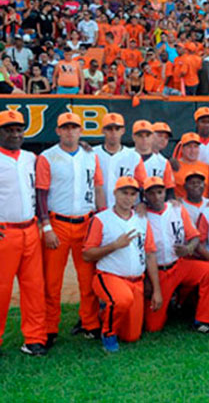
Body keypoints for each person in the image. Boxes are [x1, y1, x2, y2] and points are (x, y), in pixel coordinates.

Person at [36, 112, 106, 347]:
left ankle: (90, 323)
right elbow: (41, 194)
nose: (69, 131)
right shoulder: (47, 157)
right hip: (58, 224)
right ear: (57, 131)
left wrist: (102, 217)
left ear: (80, 131)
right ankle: (49, 328)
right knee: (52, 281)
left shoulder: (90, 154)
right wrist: (46, 226)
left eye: (74, 127)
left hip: (86, 223)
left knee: (88, 280)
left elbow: (98, 187)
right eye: (65, 127)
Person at [82, 176, 162, 352]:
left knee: (131, 336)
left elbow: (150, 255)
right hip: (110, 276)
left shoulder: (142, 220)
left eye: (132, 194)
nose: (128, 198)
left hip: (136, 282)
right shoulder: (101, 219)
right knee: (122, 300)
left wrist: (156, 289)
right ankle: (108, 333)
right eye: (124, 193)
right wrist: (114, 246)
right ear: (115, 194)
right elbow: (87, 255)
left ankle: (106, 314)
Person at [142, 177, 209, 334]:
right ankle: (170, 303)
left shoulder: (176, 208)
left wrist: (189, 248)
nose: (156, 197)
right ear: (145, 196)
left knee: (208, 271)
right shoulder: (140, 215)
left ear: (165, 193)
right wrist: (147, 279)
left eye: (160, 192)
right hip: (157, 272)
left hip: (179, 265)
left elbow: (194, 236)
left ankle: (202, 320)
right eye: (151, 193)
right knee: (153, 327)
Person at [0, 110, 47, 356]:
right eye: (9, 129)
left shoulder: (31, 157)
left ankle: (34, 339)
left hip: (30, 230)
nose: (15, 134)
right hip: (4, 233)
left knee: (34, 288)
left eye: (18, 129)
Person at [93, 112, 147, 207]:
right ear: (103, 131)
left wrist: (143, 204)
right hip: (97, 209)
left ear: (123, 130)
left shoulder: (133, 156)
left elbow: (143, 185)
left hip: (126, 211)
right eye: (109, 129)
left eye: (117, 129)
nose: (113, 133)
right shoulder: (92, 154)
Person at [132, 120, 175, 196]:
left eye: (166, 137)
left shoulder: (164, 162)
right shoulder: (123, 156)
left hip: (152, 205)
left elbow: (169, 190)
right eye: (160, 135)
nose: (163, 139)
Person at [173, 132, 209, 199]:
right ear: (182, 149)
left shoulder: (206, 167)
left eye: (195, 147)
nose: (192, 150)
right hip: (182, 206)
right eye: (189, 147)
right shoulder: (174, 167)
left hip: (204, 207)